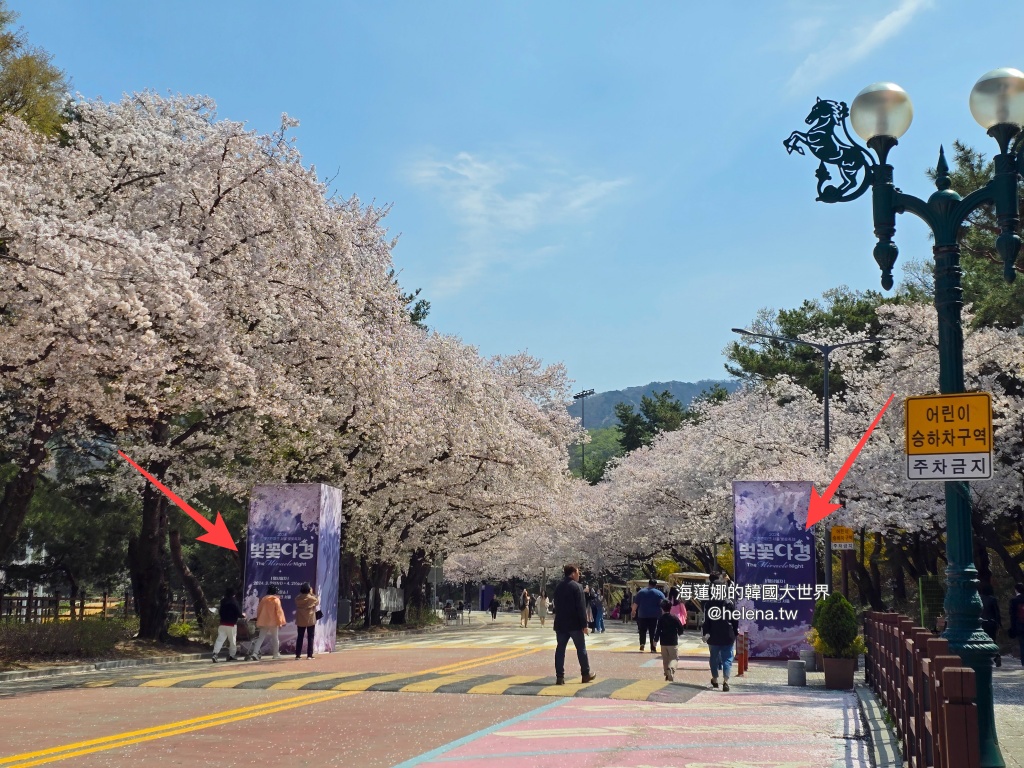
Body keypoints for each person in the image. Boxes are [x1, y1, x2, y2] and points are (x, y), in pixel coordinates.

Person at [553, 564, 596, 685]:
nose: (579, 574)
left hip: (561, 623)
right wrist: (584, 625)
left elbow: (556, 605)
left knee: (560, 649)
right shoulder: (577, 587)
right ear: (572, 573)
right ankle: (585, 674)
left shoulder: (559, 587)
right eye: (578, 572)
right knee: (581, 648)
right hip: (575, 624)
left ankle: (559, 676)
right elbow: (581, 608)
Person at [703, 577, 739, 691]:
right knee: (727, 658)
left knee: (713, 658)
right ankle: (726, 681)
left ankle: (715, 678)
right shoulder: (729, 602)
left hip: (713, 636)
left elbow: (707, 621)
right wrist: (735, 631)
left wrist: (706, 633)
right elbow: (735, 619)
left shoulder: (709, 604)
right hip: (728, 635)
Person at [632, 579, 666, 653]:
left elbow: (635, 604)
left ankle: (642, 644)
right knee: (653, 632)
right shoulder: (659, 593)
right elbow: (663, 605)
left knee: (642, 630)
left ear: (648, 584)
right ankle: (653, 648)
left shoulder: (641, 592)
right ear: (655, 585)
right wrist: (664, 614)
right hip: (654, 615)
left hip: (642, 615)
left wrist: (633, 611)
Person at [212, 587, 244, 662]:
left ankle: (215, 654)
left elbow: (220, 612)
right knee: (232, 640)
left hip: (222, 623)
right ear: (234, 594)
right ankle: (231, 655)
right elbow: (238, 613)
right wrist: (243, 615)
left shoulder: (223, 601)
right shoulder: (234, 602)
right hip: (231, 624)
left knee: (220, 639)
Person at [254, 585, 286, 660]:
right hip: (273, 622)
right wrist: (280, 621)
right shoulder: (276, 600)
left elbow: (259, 610)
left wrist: (259, 619)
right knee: (275, 638)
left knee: (260, 638)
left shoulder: (263, 599)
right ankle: (275, 654)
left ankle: (254, 653)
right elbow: (279, 612)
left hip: (264, 621)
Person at [657, 599, 686, 681]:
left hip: (663, 642)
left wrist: (655, 640)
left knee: (665, 659)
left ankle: (666, 673)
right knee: (674, 658)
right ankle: (671, 669)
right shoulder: (674, 618)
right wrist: (679, 633)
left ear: (662, 608)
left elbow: (658, 630)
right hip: (673, 642)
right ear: (670, 608)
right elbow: (681, 628)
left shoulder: (661, 618)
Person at [294, 582, 319, 660]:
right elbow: (317, 601)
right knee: (310, 637)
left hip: (300, 620)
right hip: (310, 620)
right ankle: (309, 655)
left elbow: (297, 598)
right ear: (309, 590)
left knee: (300, 637)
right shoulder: (311, 599)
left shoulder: (298, 598)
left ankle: (298, 655)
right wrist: (311, 593)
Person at [979, 583, 1002, 667]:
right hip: (991, 623)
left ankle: (983, 657)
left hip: (981, 623)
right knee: (993, 640)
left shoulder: (979, 599)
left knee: (981, 640)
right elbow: (997, 613)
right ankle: (997, 655)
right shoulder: (993, 599)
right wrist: (999, 623)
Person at [1008, 583, 1024, 667]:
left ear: (1016, 589)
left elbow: (1012, 615)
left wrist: (1012, 628)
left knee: (1022, 644)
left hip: (1020, 625)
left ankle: (1023, 662)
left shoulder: (1014, 600)